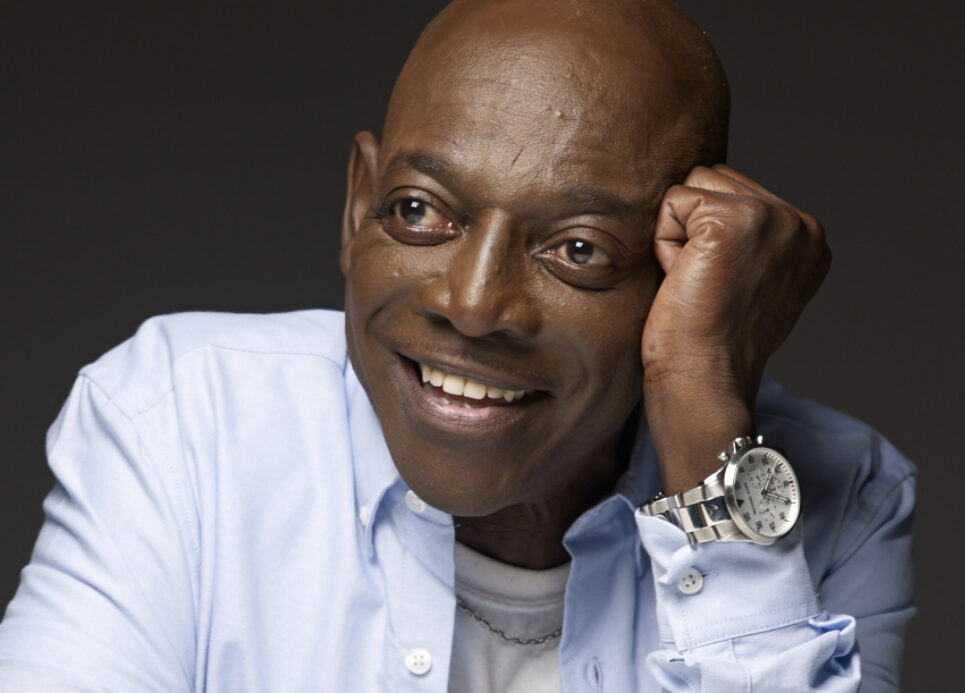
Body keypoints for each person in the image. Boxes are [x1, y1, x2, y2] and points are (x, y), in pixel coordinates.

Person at [0, 0, 914, 690]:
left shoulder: (844, 498)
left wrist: (706, 409)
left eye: (580, 249)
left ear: (682, 275)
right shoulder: (181, 422)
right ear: (358, 205)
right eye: (418, 211)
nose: (474, 305)